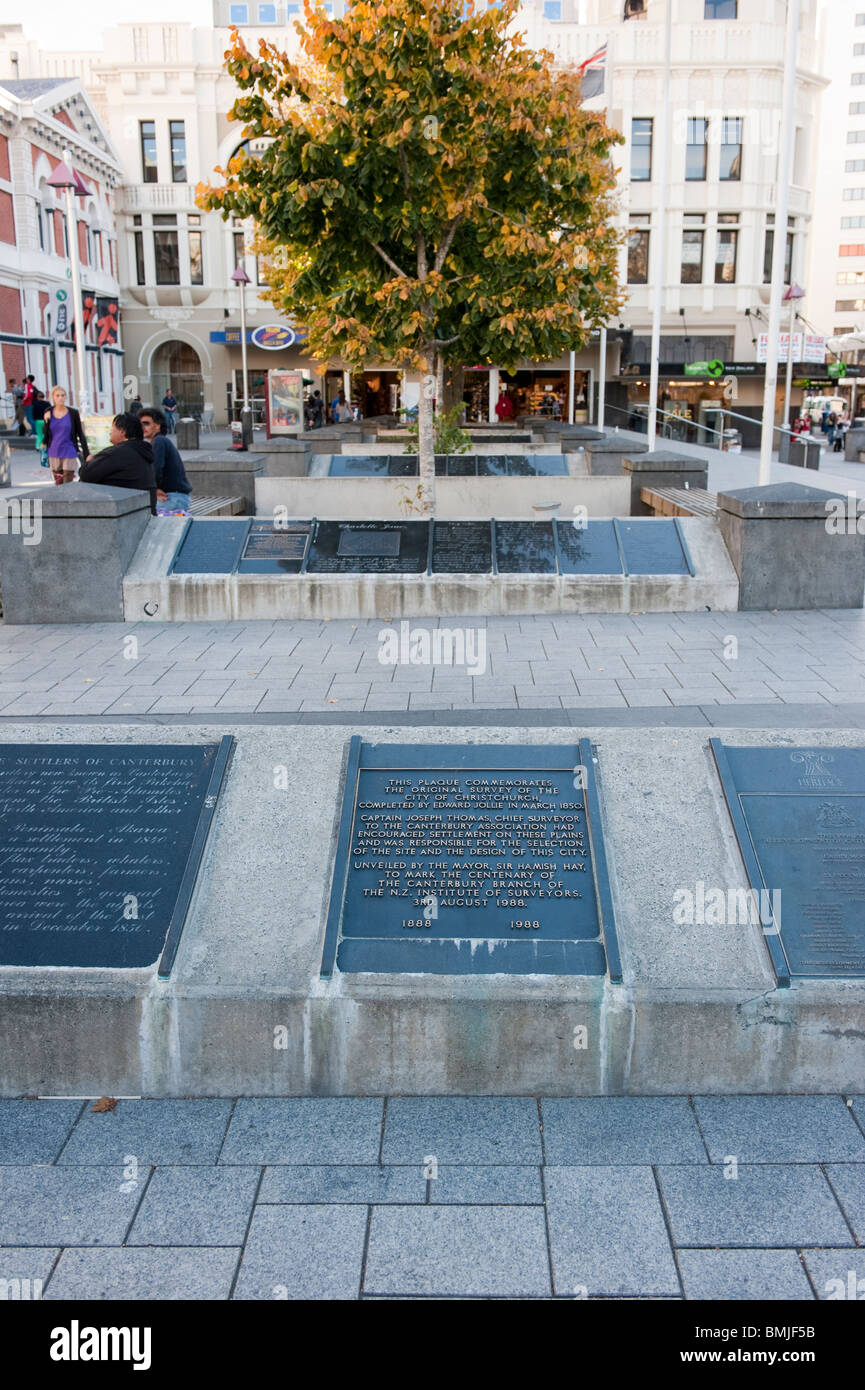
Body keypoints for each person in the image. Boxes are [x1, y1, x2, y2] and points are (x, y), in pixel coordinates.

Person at [78, 412, 156, 513]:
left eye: (112, 427)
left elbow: (85, 474)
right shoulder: (143, 451)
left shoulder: (117, 453)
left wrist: (90, 461)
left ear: (122, 431)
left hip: (126, 514)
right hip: (144, 511)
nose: (110, 431)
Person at [139, 406, 192, 512]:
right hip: (176, 497)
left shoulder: (159, 441)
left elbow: (156, 468)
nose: (143, 427)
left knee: (137, 513)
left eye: (146, 423)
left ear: (158, 426)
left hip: (173, 498)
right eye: (140, 424)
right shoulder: (159, 441)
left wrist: (153, 490)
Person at [42, 385, 90, 485]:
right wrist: (46, 421)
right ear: (53, 397)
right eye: (57, 395)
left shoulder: (73, 413)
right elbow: (45, 433)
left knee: (67, 482)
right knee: (59, 484)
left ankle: (69, 500)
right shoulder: (48, 411)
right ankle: (62, 500)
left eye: (63, 395)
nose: (60, 398)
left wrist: (86, 454)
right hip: (54, 451)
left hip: (69, 450)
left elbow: (80, 433)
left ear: (66, 397)